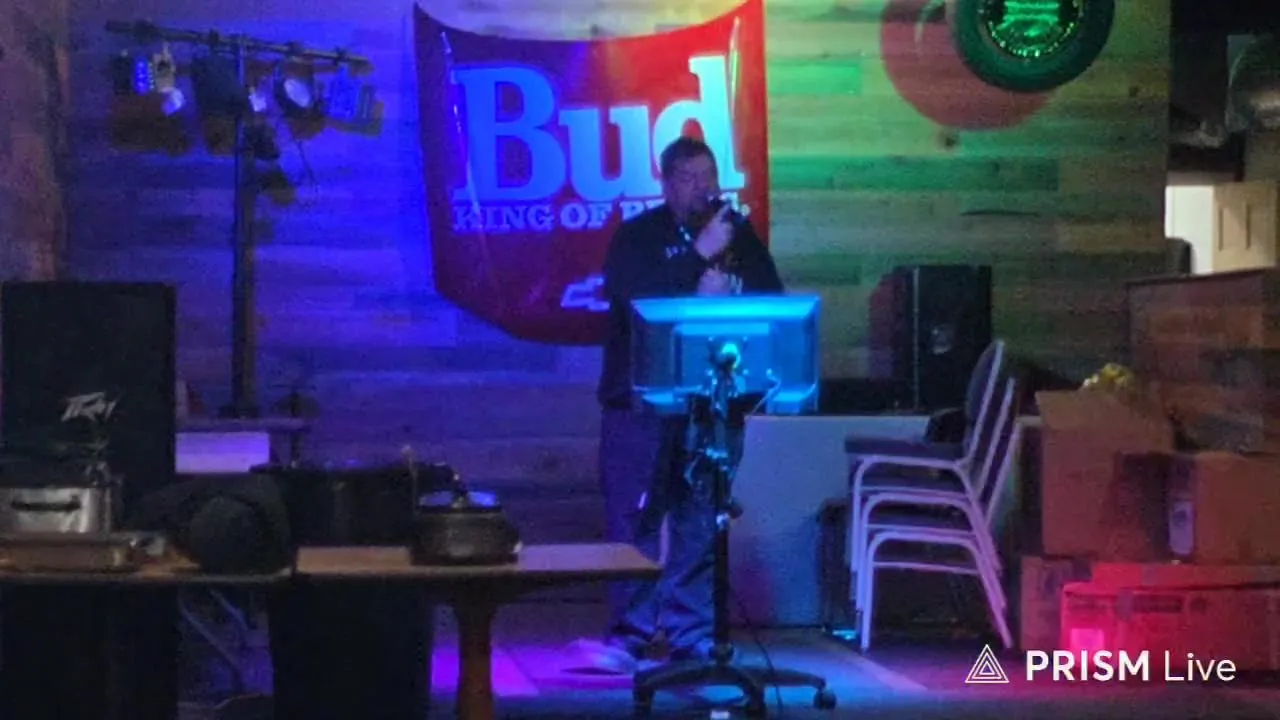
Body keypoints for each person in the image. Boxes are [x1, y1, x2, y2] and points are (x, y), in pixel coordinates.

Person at [573, 136, 784, 674]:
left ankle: (692, 634)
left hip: (711, 404)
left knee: (700, 520)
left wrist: (734, 294)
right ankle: (630, 636)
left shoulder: (739, 235)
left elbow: (774, 300)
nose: (703, 188)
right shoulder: (639, 236)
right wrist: (696, 258)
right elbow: (634, 300)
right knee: (635, 518)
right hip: (640, 404)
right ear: (666, 184)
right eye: (690, 178)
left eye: (709, 176)